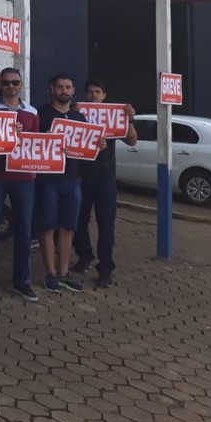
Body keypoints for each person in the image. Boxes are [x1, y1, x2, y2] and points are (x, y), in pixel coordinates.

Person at [0, 67, 40, 302]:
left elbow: (35, 145)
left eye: (15, 83)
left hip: (23, 177)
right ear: (0, 85)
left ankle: (21, 281)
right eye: (6, 83)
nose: (11, 87)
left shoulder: (31, 112)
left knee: (24, 229)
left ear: (21, 84)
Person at [73, 80, 137, 288]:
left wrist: (130, 120)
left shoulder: (114, 117)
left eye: (97, 92)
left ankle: (106, 268)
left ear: (104, 95)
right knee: (78, 221)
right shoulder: (78, 114)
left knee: (106, 225)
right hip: (81, 176)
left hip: (106, 177)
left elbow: (132, 141)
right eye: (89, 92)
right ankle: (84, 256)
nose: (93, 95)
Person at [36, 73, 89, 294]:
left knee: (68, 227)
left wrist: (97, 145)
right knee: (47, 227)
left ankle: (64, 273)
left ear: (73, 90)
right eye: (60, 87)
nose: (64, 91)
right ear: (51, 89)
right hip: (48, 179)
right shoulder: (41, 114)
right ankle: (50, 274)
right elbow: (31, 145)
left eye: (68, 87)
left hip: (73, 179)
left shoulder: (80, 118)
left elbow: (87, 147)